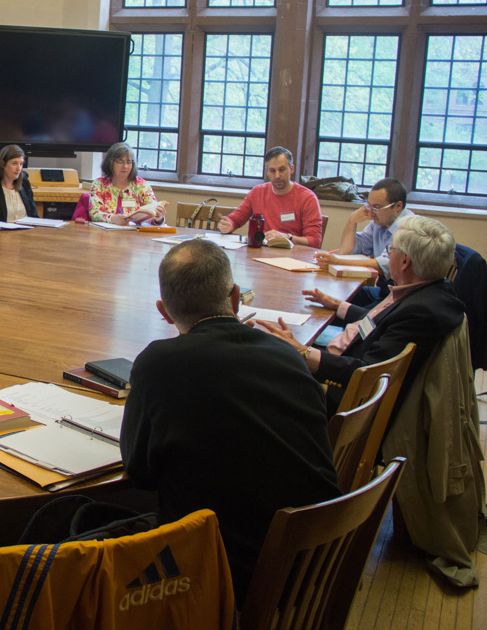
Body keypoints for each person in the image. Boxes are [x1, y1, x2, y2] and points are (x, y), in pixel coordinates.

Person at [119, 239, 340, 603]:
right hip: (317, 555)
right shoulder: (287, 355)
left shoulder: (159, 364)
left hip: (229, 574)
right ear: (236, 298)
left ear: (164, 311)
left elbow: (141, 474)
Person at [257, 215, 465, 416]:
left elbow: (366, 372)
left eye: (390, 250)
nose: (387, 255)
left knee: (261, 377)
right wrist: (337, 305)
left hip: (344, 401)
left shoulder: (420, 314)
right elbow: (382, 322)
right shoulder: (428, 292)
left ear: (404, 261)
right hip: (348, 361)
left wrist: (302, 352)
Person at [315, 178, 415, 306]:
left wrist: (336, 261)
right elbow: (348, 251)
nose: (371, 213)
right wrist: (352, 221)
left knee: (344, 311)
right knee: (331, 296)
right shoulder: (379, 223)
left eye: (377, 207)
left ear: (398, 206)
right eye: (369, 206)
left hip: (401, 298)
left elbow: (385, 266)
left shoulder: (408, 227)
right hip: (384, 291)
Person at [218, 147, 323, 247]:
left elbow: (315, 241)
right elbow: (237, 217)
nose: (277, 176)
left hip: (292, 258)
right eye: (273, 171)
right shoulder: (257, 192)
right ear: (267, 171)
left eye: (282, 170)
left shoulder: (307, 198)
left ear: (291, 169)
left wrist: (287, 237)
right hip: (261, 253)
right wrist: (229, 224)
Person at [87, 142, 166, 225]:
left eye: (129, 162)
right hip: (105, 235)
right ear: (110, 162)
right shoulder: (99, 184)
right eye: (120, 162)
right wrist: (113, 218)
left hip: (135, 235)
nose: (125, 166)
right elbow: (94, 213)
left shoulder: (142, 185)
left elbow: (152, 213)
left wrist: (159, 218)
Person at [0, 144, 36, 223]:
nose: (19, 168)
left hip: (26, 232)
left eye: (21, 164)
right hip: (1, 234)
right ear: (2, 164)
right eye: (14, 163)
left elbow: (34, 216)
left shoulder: (24, 184)